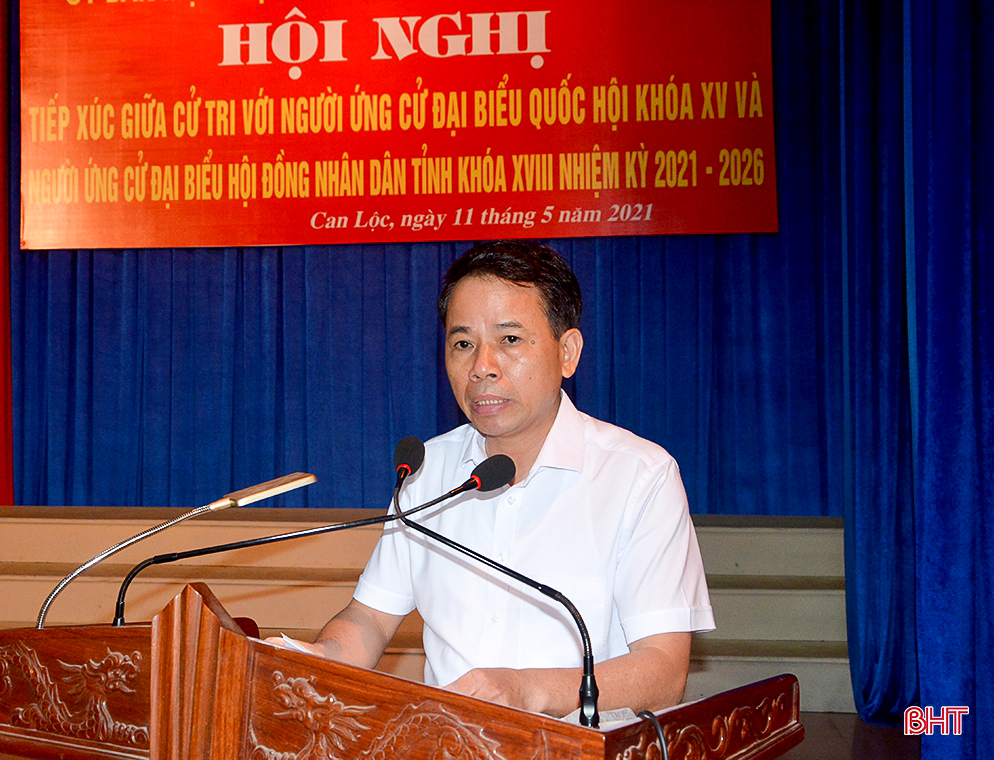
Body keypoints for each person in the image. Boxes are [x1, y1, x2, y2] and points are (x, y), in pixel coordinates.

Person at [279, 240, 714, 718]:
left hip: (580, 746)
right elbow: (370, 619)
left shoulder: (639, 476)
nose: (481, 367)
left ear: (567, 352)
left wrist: (526, 691)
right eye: (463, 344)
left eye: (509, 340)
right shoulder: (428, 472)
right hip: (447, 744)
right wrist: (318, 660)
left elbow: (663, 672)